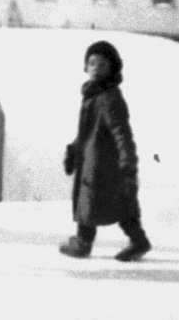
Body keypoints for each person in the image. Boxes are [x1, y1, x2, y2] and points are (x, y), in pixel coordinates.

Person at [60, 40, 152, 262]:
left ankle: (86, 243)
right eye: (91, 62)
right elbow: (87, 130)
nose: (95, 67)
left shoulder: (109, 98)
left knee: (106, 201)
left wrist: (128, 162)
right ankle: (134, 241)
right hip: (93, 159)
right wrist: (73, 149)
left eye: (102, 63)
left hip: (105, 163)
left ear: (112, 68)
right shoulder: (93, 95)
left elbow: (122, 133)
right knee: (105, 201)